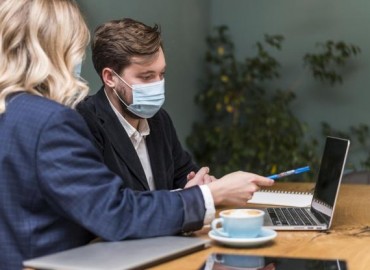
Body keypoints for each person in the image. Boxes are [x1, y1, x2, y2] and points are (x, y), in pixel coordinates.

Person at [0, 1, 274, 269]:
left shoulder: (13, 110)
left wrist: (200, 189)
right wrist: (212, 194)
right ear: (54, 50)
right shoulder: (54, 120)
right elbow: (114, 213)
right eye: (75, 49)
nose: (77, 59)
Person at [77, 18, 212, 191]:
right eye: (146, 77)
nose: (158, 84)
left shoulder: (160, 120)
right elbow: (112, 205)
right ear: (110, 78)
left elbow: (184, 175)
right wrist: (185, 198)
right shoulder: (83, 123)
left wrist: (201, 185)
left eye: (161, 74)